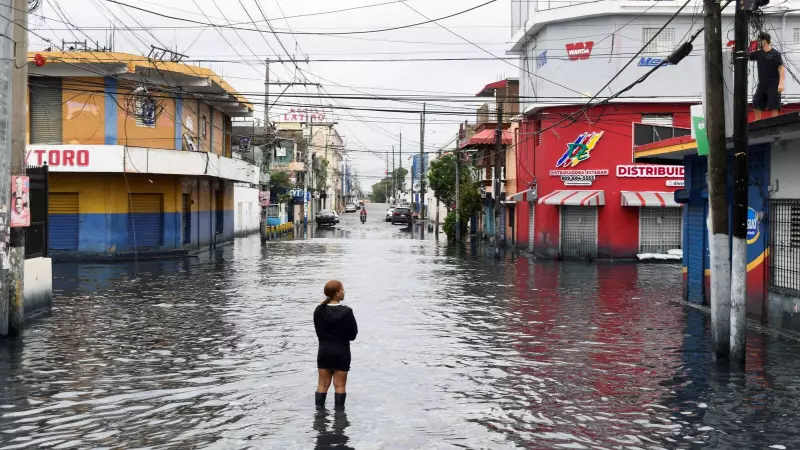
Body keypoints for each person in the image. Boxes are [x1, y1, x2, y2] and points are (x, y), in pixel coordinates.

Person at [314, 280, 358, 409]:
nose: (344, 292)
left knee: (322, 385)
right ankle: (339, 418)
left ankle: (319, 417)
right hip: (342, 351)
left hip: (324, 351)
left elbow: (319, 332)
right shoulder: (347, 311)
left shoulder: (319, 310)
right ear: (337, 293)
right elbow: (353, 335)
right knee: (340, 386)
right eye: (342, 289)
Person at [750, 32, 785, 120]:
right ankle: (757, 123)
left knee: (774, 106)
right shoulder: (758, 53)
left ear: (765, 41)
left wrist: (781, 84)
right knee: (756, 103)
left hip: (773, 84)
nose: (758, 42)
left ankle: (775, 125)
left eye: (759, 40)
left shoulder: (775, 53)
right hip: (762, 84)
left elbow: (781, 68)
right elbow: (747, 54)